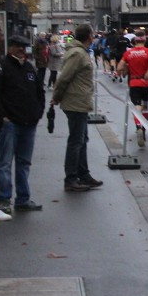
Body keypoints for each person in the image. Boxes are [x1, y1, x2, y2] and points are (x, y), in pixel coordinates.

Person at [0, 35, 45, 213]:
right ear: (10, 48)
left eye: (23, 47)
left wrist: (38, 113)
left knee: (24, 162)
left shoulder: (29, 68)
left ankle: (23, 198)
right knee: (6, 162)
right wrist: (3, 116)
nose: (22, 50)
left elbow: (39, 91)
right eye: (18, 47)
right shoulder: (2, 67)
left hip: (29, 122)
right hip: (10, 123)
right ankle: (4, 199)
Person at [51, 25, 103, 192]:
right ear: (88, 36)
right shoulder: (77, 53)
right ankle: (71, 178)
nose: (94, 36)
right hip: (75, 101)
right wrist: (56, 97)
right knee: (76, 140)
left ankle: (83, 174)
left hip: (79, 100)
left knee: (81, 139)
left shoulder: (80, 51)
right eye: (92, 34)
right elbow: (64, 77)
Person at [118, 30, 148, 146]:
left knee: (137, 107)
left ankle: (138, 125)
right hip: (147, 83)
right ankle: (144, 128)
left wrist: (124, 71)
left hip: (134, 82)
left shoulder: (128, 53)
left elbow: (119, 67)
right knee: (145, 106)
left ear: (134, 41)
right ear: (144, 40)